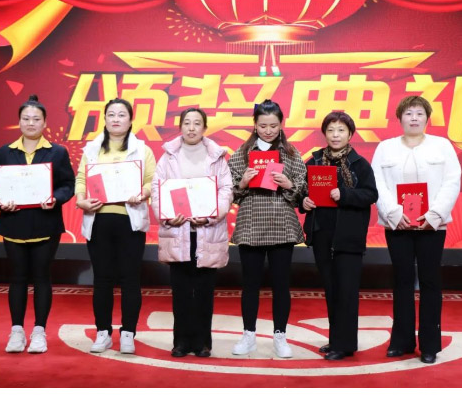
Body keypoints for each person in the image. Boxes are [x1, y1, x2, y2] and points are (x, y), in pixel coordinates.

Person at [371, 96, 461, 364]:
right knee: (402, 280)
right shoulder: (385, 148)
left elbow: (452, 182)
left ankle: (430, 344)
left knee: (430, 281)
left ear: (427, 118)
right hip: (397, 224)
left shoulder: (442, 146)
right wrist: (393, 213)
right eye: (408, 113)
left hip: (432, 225)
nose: (414, 118)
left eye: (419, 113)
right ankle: (402, 341)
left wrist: (434, 215)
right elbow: (377, 183)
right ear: (399, 118)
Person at [0, 95, 75, 354]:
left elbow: (68, 185)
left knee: (42, 277)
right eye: (26, 118)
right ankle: (16, 331)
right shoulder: (5, 151)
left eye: (36, 119)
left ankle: (39, 331)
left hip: (45, 224)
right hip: (13, 223)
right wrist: (1, 203)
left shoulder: (57, 152)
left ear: (45, 123)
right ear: (19, 122)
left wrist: (55, 198)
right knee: (17, 278)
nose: (31, 123)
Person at [75, 98, 156, 355]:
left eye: (122, 115)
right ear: (105, 119)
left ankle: (128, 333)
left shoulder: (142, 149)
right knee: (102, 279)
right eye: (111, 114)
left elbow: (152, 181)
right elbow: (81, 178)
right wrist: (81, 200)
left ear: (131, 120)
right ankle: (103, 332)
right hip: (99, 220)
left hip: (129, 220)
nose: (116, 119)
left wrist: (142, 193)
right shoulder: (92, 149)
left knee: (130, 279)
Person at [150, 108, 234, 358]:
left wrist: (211, 214)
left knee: (204, 291)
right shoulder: (168, 157)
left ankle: (202, 343)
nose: (191, 128)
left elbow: (226, 190)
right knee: (181, 291)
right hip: (179, 231)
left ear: (205, 128)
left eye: (197, 123)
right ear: (180, 127)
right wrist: (167, 215)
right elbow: (157, 190)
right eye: (187, 123)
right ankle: (181, 342)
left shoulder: (217, 157)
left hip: (207, 231)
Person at [227, 99, 307, 359]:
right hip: (251, 224)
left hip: (281, 225)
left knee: (281, 285)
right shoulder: (241, 153)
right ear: (255, 125)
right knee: (250, 284)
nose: (268, 131)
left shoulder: (291, 153)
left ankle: (280, 336)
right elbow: (229, 191)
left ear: (281, 124)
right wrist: (243, 182)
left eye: (273, 125)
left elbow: (303, 191)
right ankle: (248, 335)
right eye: (263, 126)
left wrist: (288, 184)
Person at [299, 112, 378, 360]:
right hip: (322, 236)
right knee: (332, 290)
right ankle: (336, 340)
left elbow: (370, 195)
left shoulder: (359, 164)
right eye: (331, 130)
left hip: (349, 237)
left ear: (350, 134)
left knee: (347, 291)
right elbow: (302, 192)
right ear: (324, 133)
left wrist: (344, 194)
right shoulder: (314, 161)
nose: (335, 135)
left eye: (341, 130)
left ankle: (345, 345)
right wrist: (304, 202)